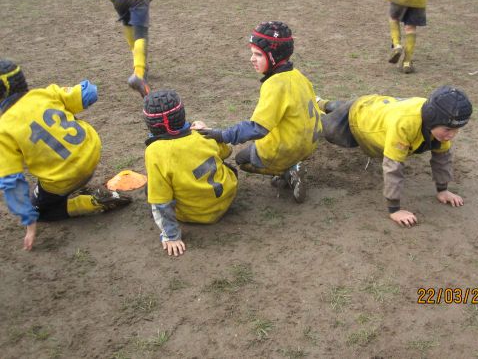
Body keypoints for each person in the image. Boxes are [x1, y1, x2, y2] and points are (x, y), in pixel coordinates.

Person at [0, 60, 132, 251]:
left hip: (64, 177)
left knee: (40, 210)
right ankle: (75, 189)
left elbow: (12, 182)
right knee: (56, 174)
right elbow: (89, 93)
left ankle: (88, 203)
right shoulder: (45, 94)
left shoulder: (4, 129)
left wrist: (29, 222)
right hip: (92, 152)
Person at [199, 21, 322, 204]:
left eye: (258, 54)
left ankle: (288, 170)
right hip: (310, 143)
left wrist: (222, 134)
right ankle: (291, 167)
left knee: (242, 160)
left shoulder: (275, 84)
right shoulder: (298, 75)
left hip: (289, 147)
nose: (252, 59)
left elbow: (257, 128)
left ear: (273, 56)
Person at [319, 86, 472, 227]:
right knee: (321, 128)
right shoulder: (405, 124)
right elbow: (393, 166)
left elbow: (442, 158)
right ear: (432, 119)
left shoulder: (437, 118)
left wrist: (443, 190)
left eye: (456, 129)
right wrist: (394, 209)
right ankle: (317, 106)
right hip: (358, 120)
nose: (451, 135)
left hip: (375, 106)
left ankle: (322, 103)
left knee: (340, 108)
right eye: (447, 129)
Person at [143, 90, 238, 257]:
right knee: (226, 167)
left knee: (152, 190)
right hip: (226, 200)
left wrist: (171, 236)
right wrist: (208, 130)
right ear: (182, 114)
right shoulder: (202, 135)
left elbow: (162, 202)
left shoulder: (154, 152)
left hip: (194, 214)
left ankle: (170, 232)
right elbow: (226, 152)